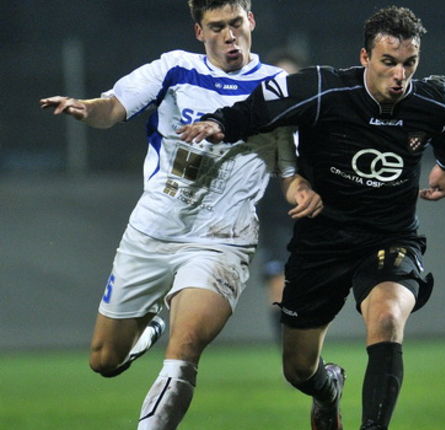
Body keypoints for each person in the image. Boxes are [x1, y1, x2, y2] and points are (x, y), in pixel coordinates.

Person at [39, 1, 322, 428]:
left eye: (236, 23)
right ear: (199, 32)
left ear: (251, 21)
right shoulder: (174, 69)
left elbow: (288, 168)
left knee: (184, 346)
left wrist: (300, 188)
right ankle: (150, 328)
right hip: (152, 232)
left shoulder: (278, 86)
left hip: (222, 240)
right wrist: (85, 108)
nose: (229, 35)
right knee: (105, 360)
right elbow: (112, 107)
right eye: (217, 27)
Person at [178, 6, 445, 430]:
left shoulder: (431, 100)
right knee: (298, 368)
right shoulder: (325, 89)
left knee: (387, 318)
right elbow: (258, 108)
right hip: (322, 241)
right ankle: (328, 390)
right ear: (365, 57)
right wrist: (219, 122)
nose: (400, 75)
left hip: (389, 237)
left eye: (409, 64)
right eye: (388, 62)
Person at [254, 46, 307, 342]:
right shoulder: (255, 121)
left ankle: (308, 356)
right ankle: (290, 357)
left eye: (292, 79)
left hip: (310, 217)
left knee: (310, 292)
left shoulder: (315, 119)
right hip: (274, 217)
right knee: (278, 287)